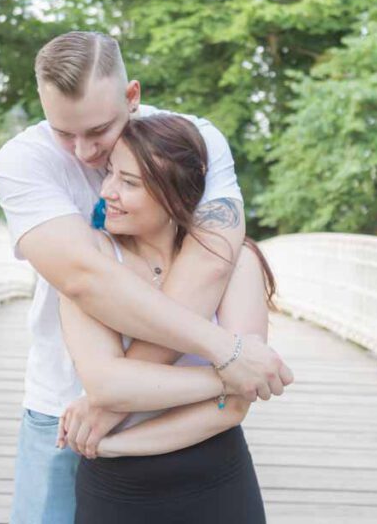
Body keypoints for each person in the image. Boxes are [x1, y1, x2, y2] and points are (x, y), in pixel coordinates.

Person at [0, 31, 293, 523]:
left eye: (98, 131)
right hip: (66, 412)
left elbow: (214, 257)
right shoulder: (23, 161)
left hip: (152, 420)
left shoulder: (188, 140)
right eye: (63, 132)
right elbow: (88, 280)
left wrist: (116, 397)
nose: (84, 152)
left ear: (132, 97)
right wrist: (227, 360)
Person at [58, 114, 271, 522]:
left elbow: (233, 409)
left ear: (176, 190)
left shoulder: (236, 261)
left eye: (130, 183)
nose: (107, 192)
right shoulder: (93, 260)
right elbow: (106, 385)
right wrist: (230, 375)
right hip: (115, 493)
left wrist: (112, 447)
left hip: (216, 481)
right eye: (109, 175)